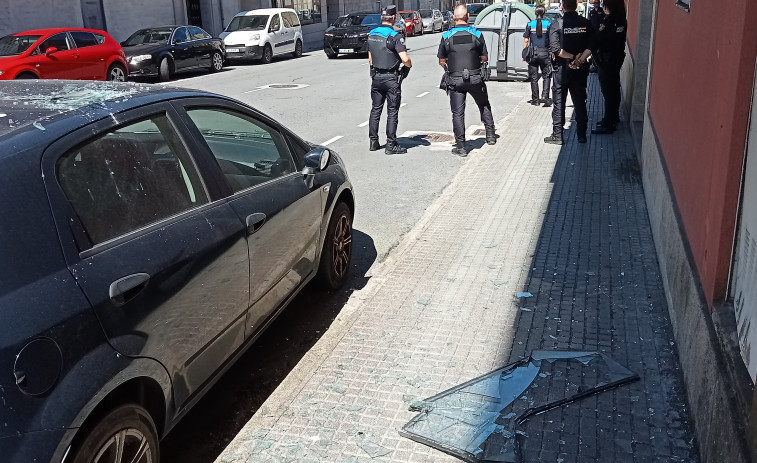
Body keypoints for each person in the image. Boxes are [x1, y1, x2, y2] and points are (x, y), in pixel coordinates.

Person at [438, 3, 496, 156]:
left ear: (453, 18)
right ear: (468, 16)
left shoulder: (446, 36)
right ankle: (490, 135)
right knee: (483, 104)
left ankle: (461, 146)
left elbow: (441, 60)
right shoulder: (477, 33)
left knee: (458, 113)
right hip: (476, 77)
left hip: (455, 79)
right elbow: (485, 57)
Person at [544, 0, 594, 145]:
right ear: (576, 6)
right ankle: (582, 135)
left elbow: (556, 50)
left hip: (562, 70)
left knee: (559, 102)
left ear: (562, 6)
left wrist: (571, 57)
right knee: (580, 102)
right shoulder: (585, 23)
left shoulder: (557, 24)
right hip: (580, 69)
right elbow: (593, 45)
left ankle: (558, 135)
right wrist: (579, 59)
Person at [368, 4, 412, 154]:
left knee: (375, 109)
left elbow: (370, 58)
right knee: (392, 111)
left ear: (382, 18)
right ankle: (390, 144)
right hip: (391, 78)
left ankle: (373, 142)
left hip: (376, 76)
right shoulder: (395, 36)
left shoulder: (372, 34)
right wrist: (409, 65)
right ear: (393, 18)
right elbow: (404, 59)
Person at [591, 0, 626, 134]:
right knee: (615, 89)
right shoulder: (621, 19)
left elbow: (598, 38)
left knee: (608, 93)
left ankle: (608, 123)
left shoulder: (608, 21)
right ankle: (613, 117)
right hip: (616, 59)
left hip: (606, 61)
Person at [523, 6, 553, 107]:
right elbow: (552, 40)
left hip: (533, 54)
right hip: (545, 54)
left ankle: (535, 100)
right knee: (547, 76)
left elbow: (526, 40)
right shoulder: (548, 24)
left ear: (535, 13)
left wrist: (524, 53)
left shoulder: (530, 24)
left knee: (534, 78)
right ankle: (545, 97)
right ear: (544, 13)